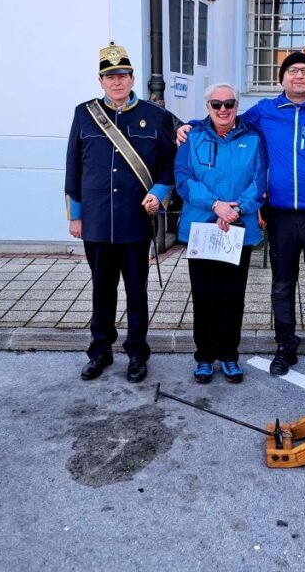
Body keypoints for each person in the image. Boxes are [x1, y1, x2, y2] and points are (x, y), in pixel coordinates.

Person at [176, 51, 305, 381]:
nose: (299, 75)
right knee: (282, 287)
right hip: (281, 216)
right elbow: (226, 119)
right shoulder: (265, 111)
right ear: (281, 78)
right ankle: (285, 346)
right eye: (292, 71)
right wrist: (189, 125)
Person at [65, 42, 176, 383]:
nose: (116, 82)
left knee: (136, 292)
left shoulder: (155, 116)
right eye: (110, 76)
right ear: (100, 81)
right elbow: (73, 168)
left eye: (122, 76)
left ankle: (137, 353)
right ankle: (100, 351)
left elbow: (169, 165)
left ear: (132, 79)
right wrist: (75, 215)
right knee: (102, 290)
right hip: (97, 221)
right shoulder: (84, 114)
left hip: (135, 221)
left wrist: (159, 194)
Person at [175, 83, 266, 384]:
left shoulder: (253, 137)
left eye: (229, 104)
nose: (223, 109)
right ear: (207, 107)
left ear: (237, 106)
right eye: (216, 104)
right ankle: (204, 356)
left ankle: (228, 355)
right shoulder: (192, 136)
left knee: (232, 296)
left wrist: (236, 209)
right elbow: (183, 179)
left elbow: (259, 180)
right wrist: (215, 205)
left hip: (237, 228)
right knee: (204, 296)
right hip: (202, 228)